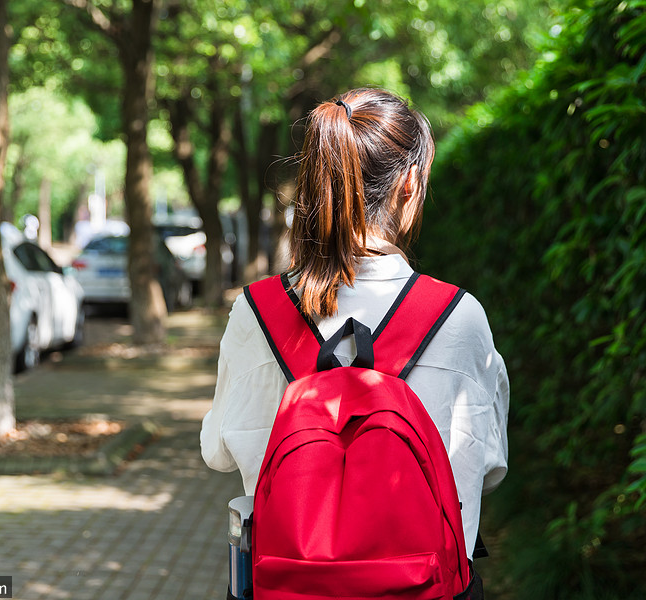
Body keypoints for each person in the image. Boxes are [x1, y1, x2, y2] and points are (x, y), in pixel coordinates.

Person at [200, 87, 509, 581]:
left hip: (288, 585)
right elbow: (488, 469)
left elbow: (218, 451)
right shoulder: (459, 318)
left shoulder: (257, 313)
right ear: (409, 182)